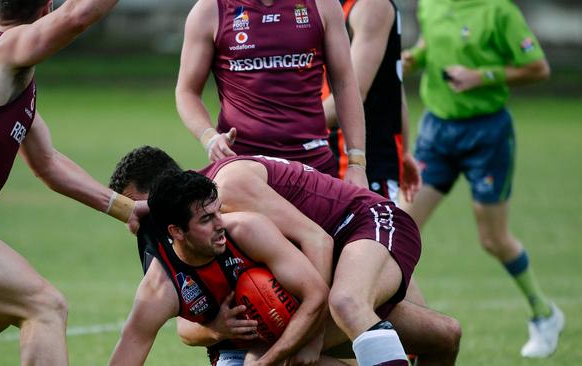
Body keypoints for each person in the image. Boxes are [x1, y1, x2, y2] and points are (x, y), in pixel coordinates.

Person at [0, 1, 147, 364]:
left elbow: (49, 164)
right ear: (47, 8)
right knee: (43, 306)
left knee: (4, 302)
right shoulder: (6, 53)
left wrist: (130, 210)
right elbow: (77, 16)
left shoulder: (7, 72)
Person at [110, 146, 462, 365]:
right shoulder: (175, 239)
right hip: (321, 268)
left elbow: (318, 240)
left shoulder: (226, 201)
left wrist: (311, 339)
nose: (134, 220)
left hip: (362, 224)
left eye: (137, 206)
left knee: (344, 304)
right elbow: (184, 315)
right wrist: (216, 327)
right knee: (443, 336)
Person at [401, 0, 563, 358]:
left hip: (486, 134)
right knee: (399, 231)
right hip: (436, 132)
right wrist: (416, 56)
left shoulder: (499, 11)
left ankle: (544, 314)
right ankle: (411, 335)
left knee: (493, 238)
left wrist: (483, 75)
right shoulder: (429, 4)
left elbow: (538, 67)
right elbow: (432, 42)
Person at [108, 171, 330, 366]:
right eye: (206, 219)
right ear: (176, 232)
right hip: (238, 348)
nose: (220, 224)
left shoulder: (247, 230)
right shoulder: (161, 287)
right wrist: (216, 329)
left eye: (218, 211)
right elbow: (131, 350)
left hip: (309, 317)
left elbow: (317, 293)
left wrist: (271, 359)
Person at [175, 0, 368, 187]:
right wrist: (210, 138)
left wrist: (357, 163)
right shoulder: (210, 9)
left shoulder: (322, 5)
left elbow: (345, 83)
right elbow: (187, 91)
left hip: (313, 163)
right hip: (244, 167)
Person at [322, 0, 421, 204]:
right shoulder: (329, 5)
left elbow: (352, 95)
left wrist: (285, 130)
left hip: (364, 166)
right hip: (329, 159)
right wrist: (405, 153)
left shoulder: (372, 6)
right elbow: (395, 86)